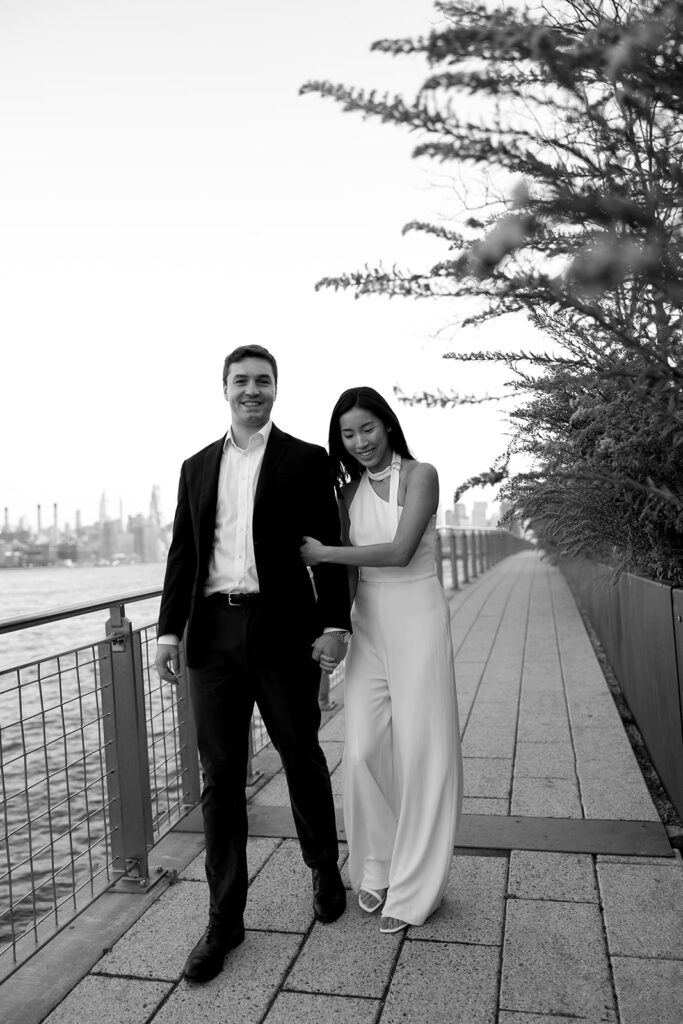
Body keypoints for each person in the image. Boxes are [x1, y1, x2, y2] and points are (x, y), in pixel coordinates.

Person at [155, 345, 351, 983]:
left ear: (275, 389)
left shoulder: (305, 460)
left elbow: (330, 548)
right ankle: (224, 920)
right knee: (220, 779)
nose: (252, 391)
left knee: (301, 754)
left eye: (262, 381)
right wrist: (166, 633)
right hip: (211, 635)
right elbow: (184, 553)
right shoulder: (195, 466)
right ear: (224, 389)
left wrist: (334, 625)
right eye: (241, 381)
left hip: (280, 627)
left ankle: (323, 866)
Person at [300, 387, 462, 934]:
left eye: (367, 429)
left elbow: (397, 550)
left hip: (417, 615)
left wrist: (323, 551)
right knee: (364, 748)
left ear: (387, 426)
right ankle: (378, 863)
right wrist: (334, 634)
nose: (360, 442)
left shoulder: (422, 475)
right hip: (368, 623)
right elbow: (350, 578)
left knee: (423, 751)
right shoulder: (347, 498)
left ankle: (419, 887)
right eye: (348, 434)